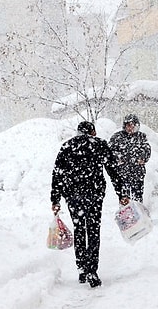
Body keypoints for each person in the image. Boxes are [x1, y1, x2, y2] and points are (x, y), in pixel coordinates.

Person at [51, 121, 129, 288]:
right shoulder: (99, 144)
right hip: (93, 194)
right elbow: (112, 170)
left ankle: (82, 269)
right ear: (92, 131)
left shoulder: (67, 146)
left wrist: (55, 199)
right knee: (93, 230)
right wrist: (121, 193)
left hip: (72, 195)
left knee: (79, 229)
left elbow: (57, 173)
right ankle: (92, 270)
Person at [108, 114, 151, 203]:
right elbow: (110, 151)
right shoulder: (117, 137)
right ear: (125, 126)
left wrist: (143, 158)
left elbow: (147, 149)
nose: (130, 128)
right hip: (122, 172)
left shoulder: (141, 136)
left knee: (138, 195)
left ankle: (138, 213)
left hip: (137, 171)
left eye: (133, 125)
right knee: (124, 196)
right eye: (128, 125)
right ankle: (125, 214)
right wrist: (118, 158)